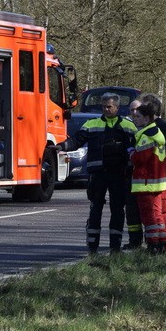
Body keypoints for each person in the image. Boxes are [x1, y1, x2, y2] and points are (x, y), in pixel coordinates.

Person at [56, 92, 138, 256]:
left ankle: (115, 248)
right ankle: (92, 248)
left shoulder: (129, 127)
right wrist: (62, 146)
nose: (106, 109)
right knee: (95, 210)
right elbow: (77, 140)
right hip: (98, 175)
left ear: (117, 107)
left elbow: (138, 147)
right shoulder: (92, 123)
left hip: (119, 175)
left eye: (109, 106)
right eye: (104, 106)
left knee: (117, 211)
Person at [129, 102, 166, 254]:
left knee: (150, 217)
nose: (135, 119)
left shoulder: (146, 135)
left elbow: (139, 159)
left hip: (147, 183)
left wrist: (131, 152)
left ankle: (154, 246)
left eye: (138, 116)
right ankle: (161, 244)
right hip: (156, 183)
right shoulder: (156, 133)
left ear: (147, 119)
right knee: (157, 215)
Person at [137, 93, 166, 250]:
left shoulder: (158, 127)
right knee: (158, 212)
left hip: (156, 176)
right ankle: (163, 241)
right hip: (157, 175)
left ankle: (161, 243)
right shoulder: (151, 127)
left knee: (158, 212)